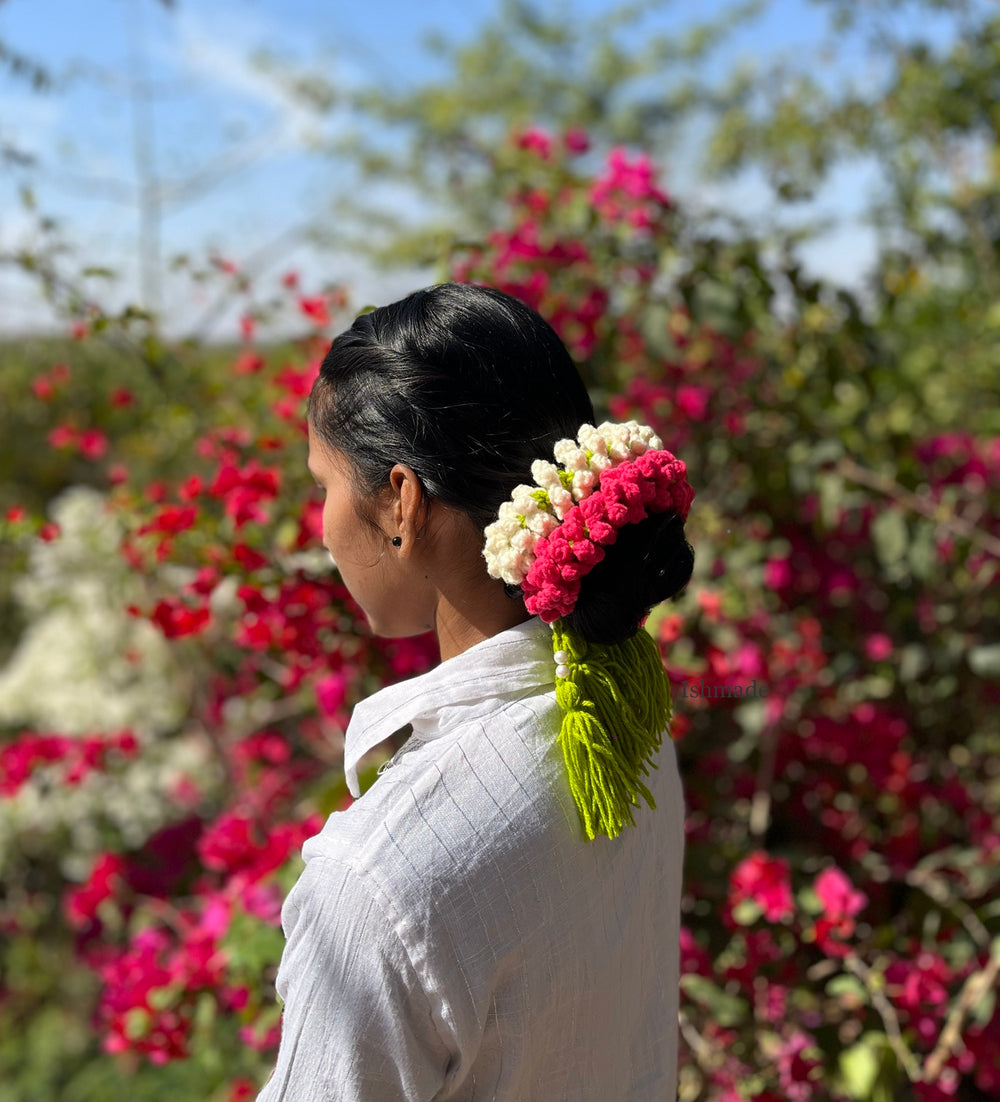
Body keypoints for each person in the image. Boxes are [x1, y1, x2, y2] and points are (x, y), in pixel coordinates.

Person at [257, 282, 695, 1102]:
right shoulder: (627, 715)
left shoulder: (378, 883)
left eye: (322, 485)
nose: (318, 527)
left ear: (401, 502)